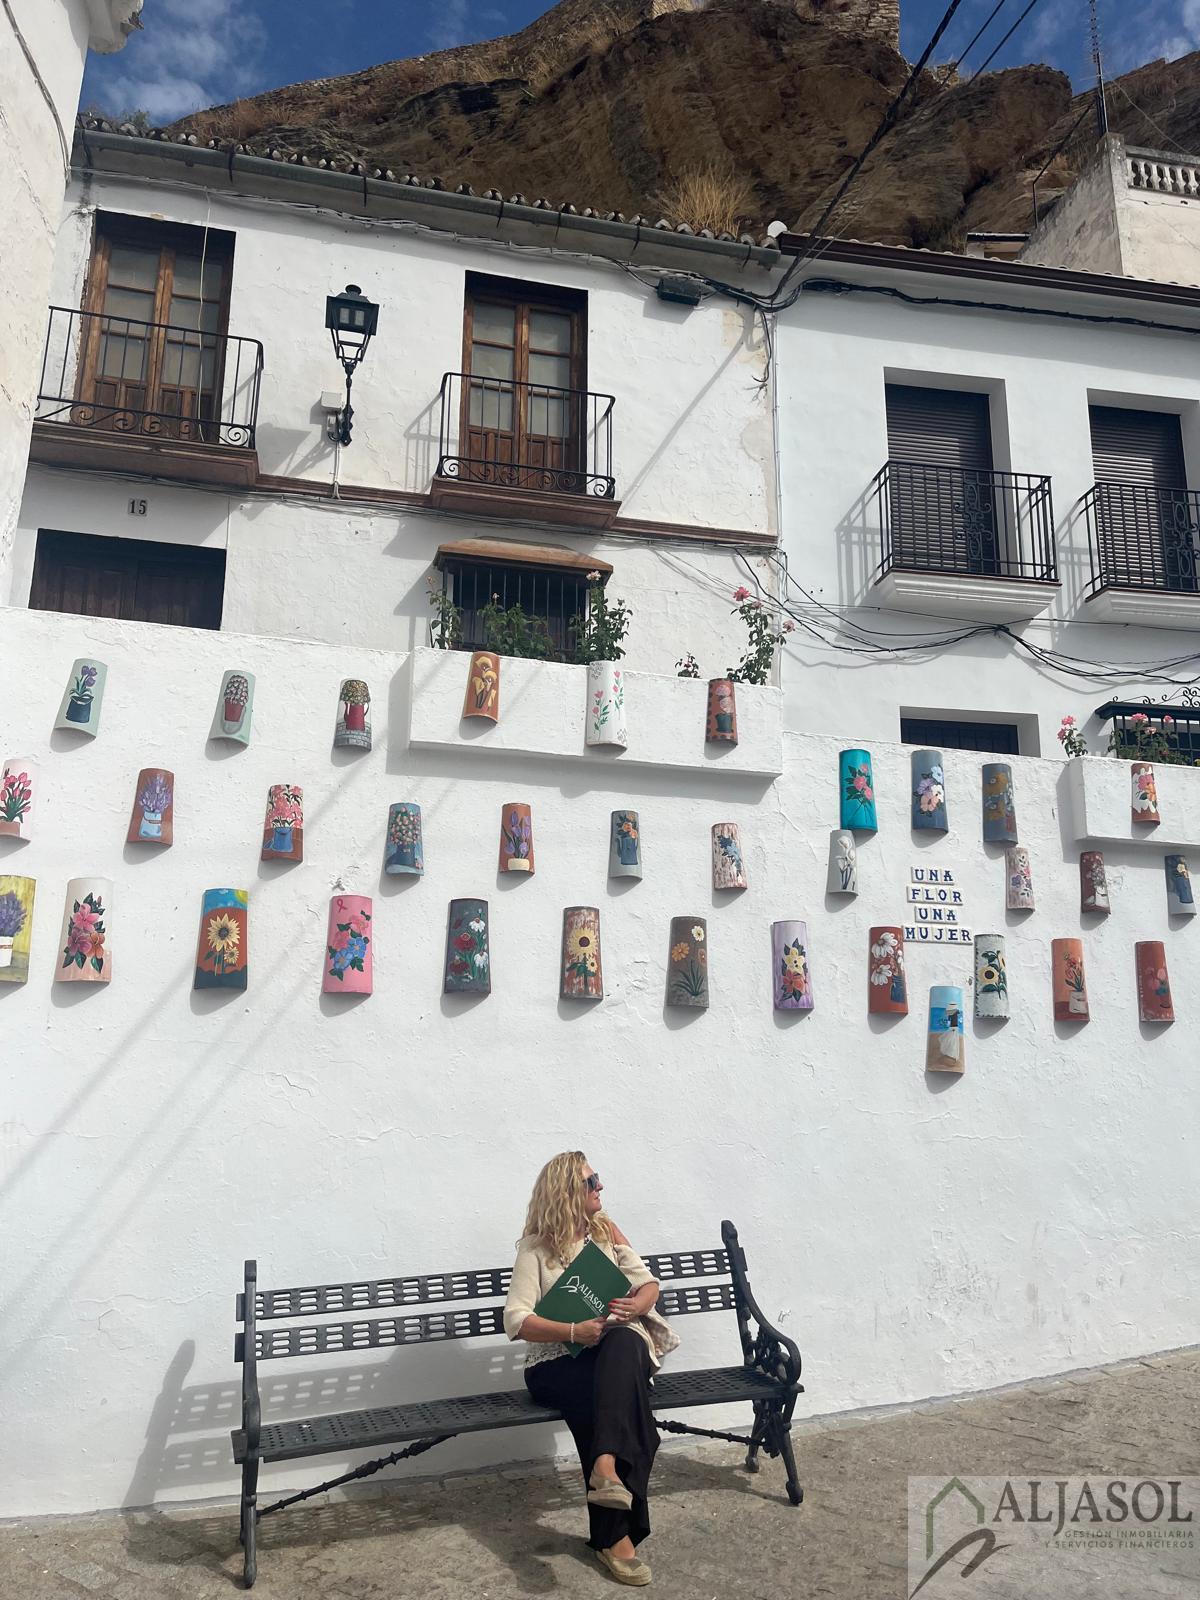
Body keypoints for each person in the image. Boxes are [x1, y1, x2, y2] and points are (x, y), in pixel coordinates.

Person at [504, 1152, 669, 1587]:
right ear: (566, 1192)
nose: (600, 1187)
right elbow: (516, 1320)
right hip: (555, 1365)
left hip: (609, 1357)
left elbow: (648, 1281)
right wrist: (572, 1330)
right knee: (621, 1392)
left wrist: (639, 1302)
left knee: (619, 1344)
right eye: (591, 1181)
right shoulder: (535, 1249)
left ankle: (606, 1474)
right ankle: (615, 1532)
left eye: (597, 1179)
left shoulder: (606, 1232)